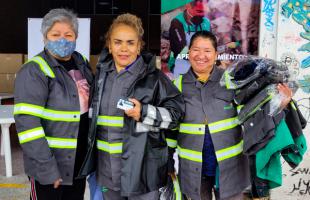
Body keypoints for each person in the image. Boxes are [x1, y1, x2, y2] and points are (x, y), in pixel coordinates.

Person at [167, 31, 292, 200]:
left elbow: (252, 116)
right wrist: (167, 162)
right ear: (188, 53)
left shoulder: (232, 81)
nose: (201, 56)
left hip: (229, 168)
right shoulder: (176, 86)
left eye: (207, 50)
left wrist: (280, 104)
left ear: (216, 54)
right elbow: (170, 131)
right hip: (193, 170)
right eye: (196, 49)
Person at [83, 13, 184, 200]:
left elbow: (176, 115)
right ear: (110, 46)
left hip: (143, 175)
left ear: (139, 46)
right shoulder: (101, 78)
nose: (124, 49)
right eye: (118, 42)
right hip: (107, 174)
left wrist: (144, 112)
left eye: (130, 43)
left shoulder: (154, 79)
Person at [14, 8, 93, 200]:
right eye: (55, 35)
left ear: (76, 37)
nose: (62, 40)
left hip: (77, 162)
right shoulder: (34, 70)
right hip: (50, 167)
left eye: (68, 34)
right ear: (44, 37)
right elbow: (28, 126)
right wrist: (47, 169)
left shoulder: (81, 63)